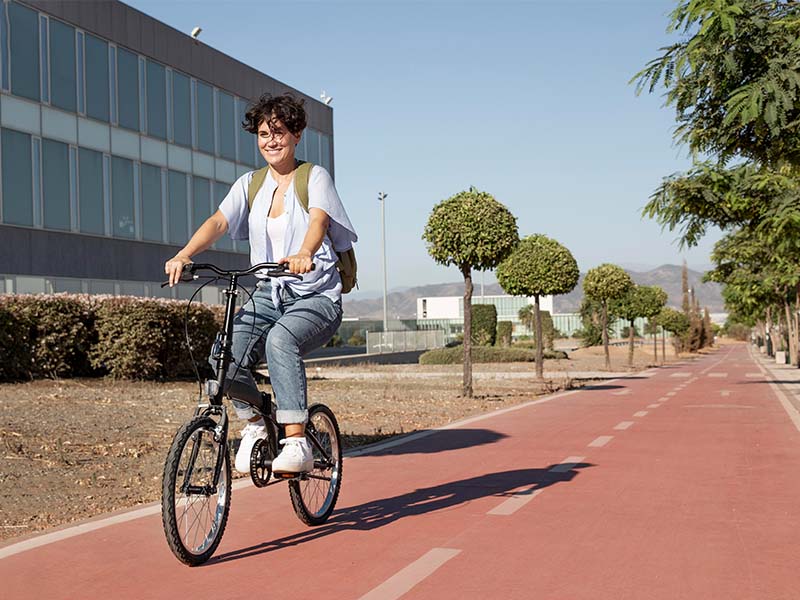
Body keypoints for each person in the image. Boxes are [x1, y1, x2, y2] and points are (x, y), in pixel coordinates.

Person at [164, 93, 356, 474]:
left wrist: (304, 252)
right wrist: (184, 253)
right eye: (264, 133)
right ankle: (254, 423)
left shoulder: (314, 177)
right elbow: (219, 222)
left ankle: (298, 440)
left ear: (297, 134)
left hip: (315, 296)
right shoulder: (250, 184)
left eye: (280, 132)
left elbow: (318, 221)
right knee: (223, 353)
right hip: (269, 293)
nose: (271, 140)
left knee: (280, 340)